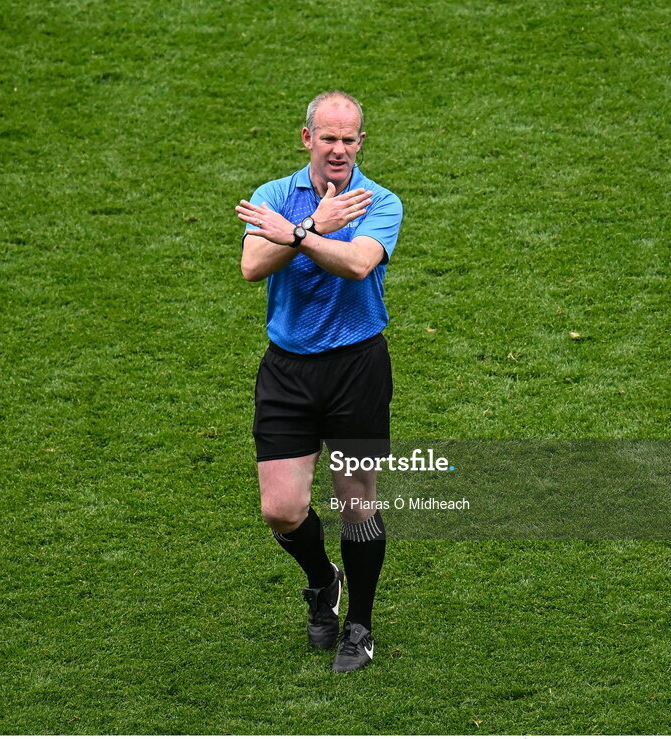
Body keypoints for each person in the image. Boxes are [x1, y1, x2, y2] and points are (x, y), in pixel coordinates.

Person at [235, 91, 402, 673]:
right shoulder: (273, 197)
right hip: (287, 369)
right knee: (281, 509)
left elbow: (358, 263)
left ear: (361, 143)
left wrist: (298, 236)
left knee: (356, 503)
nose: (338, 148)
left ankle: (360, 623)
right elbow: (252, 267)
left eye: (348, 138)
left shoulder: (380, 201)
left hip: (356, 367)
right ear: (307, 138)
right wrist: (309, 223)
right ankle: (321, 580)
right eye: (327, 137)